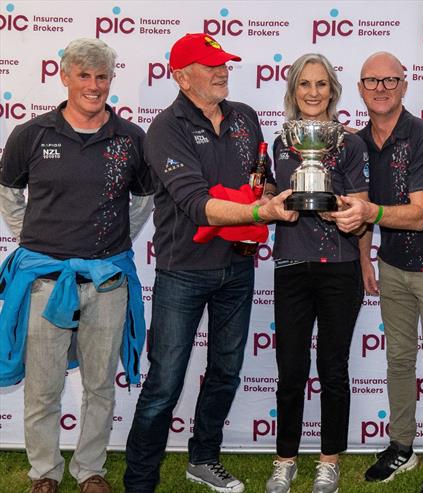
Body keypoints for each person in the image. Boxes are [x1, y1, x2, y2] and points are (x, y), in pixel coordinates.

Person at [123, 33, 298, 493]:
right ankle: (140, 480)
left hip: (238, 267)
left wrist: (280, 195)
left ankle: (203, 458)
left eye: (224, 64)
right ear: (181, 76)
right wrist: (263, 211)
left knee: (225, 370)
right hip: (183, 270)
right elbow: (196, 205)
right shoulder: (166, 127)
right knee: (165, 381)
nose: (222, 71)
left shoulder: (245, 117)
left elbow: (263, 182)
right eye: (210, 65)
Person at [0, 38, 153, 493]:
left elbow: (143, 198)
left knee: (100, 386)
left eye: (101, 76)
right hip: (45, 283)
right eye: (83, 75)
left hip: (107, 282)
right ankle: (44, 473)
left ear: (110, 80)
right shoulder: (32, 134)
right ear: (64, 76)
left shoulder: (130, 138)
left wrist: (105, 241)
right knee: (43, 389)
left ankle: (90, 471)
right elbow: (8, 190)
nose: (93, 85)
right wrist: (38, 235)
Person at [330, 51, 423, 493]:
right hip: (391, 265)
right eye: (372, 81)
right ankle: (401, 444)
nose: (380, 89)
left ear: (404, 85)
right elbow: (358, 208)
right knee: (399, 360)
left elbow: (420, 214)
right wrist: (365, 257)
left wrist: (369, 212)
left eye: (390, 81)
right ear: (360, 89)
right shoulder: (357, 142)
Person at [263, 53, 370, 493]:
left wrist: (346, 219)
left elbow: (361, 210)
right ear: (293, 90)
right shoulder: (281, 142)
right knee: (289, 367)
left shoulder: (351, 143)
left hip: (339, 269)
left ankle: (329, 461)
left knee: (333, 367)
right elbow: (274, 195)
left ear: (333, 90)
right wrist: (269, 198)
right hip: (291, 265)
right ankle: (284, 458)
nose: (312, 92)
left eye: (321, 84)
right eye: (304, 84)